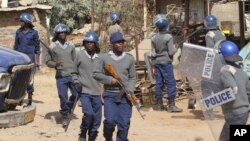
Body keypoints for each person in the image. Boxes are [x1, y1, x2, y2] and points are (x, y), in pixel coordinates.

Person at [93, 32, 136, 141]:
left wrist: (130, 90)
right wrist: (110, 80)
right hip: (110, 94)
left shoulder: (129, 58)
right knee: (110, 121)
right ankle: (108, 136)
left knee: (124, 123)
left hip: (125, 95)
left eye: (122, 42)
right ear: (112, 44)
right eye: (118, 42)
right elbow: (96, 74)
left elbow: (132, 77)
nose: (121, 44)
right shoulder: (103, 58)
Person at [45, 23, 77, 128]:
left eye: (64, 32)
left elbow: (75, 60)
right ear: (57, 34)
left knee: (76, 94)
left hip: (72, 75)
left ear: (66, 33)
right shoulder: (52, 47)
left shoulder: (71, 46)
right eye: (60, 33)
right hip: (61, 76)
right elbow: (47, 61)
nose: (62, 34)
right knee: (63, 97)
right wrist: (55, 64)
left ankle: (67, 109)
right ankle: (65, 116)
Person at [72, 32, 102, 141]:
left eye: (91, 42)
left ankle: (92, 135)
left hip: (97, 92)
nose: (89, 44)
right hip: (84, 91)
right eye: (87, 42)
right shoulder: (79, 55)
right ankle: (83, 132)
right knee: (89, 114)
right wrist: (76, 82)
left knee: (97, 119)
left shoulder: (100, 58)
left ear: (96, 44)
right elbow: (73, 72)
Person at [218, 40, 250, 141]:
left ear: (221, 56)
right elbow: (249, 92)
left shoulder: (225, 71)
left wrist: (216, 98)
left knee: (224, 139)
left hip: (234, 113)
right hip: (244, 112)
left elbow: (233, 88)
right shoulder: (242, 71)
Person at [151, 14, 182, 112]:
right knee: (170, 83)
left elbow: (153, 53)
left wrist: (153, 64)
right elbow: (170, 52)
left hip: (157, 62)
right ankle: (171, 106)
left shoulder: (153, 37)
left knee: (159, 83)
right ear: (166, 25)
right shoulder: (168, 37)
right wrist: (176, 48)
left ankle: (159, 105)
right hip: (166, 63)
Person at [13, 12, 40, 106]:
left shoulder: (34, 33)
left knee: (29, 79)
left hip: (30, 60)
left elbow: (37, 49)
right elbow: (16, 46)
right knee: (19, 79)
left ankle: (29, 97)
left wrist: (37, 61)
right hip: (20, 59)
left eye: (22, 21)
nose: (20, 22)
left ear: (27, 22)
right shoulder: (18, 32)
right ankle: (20, 98)